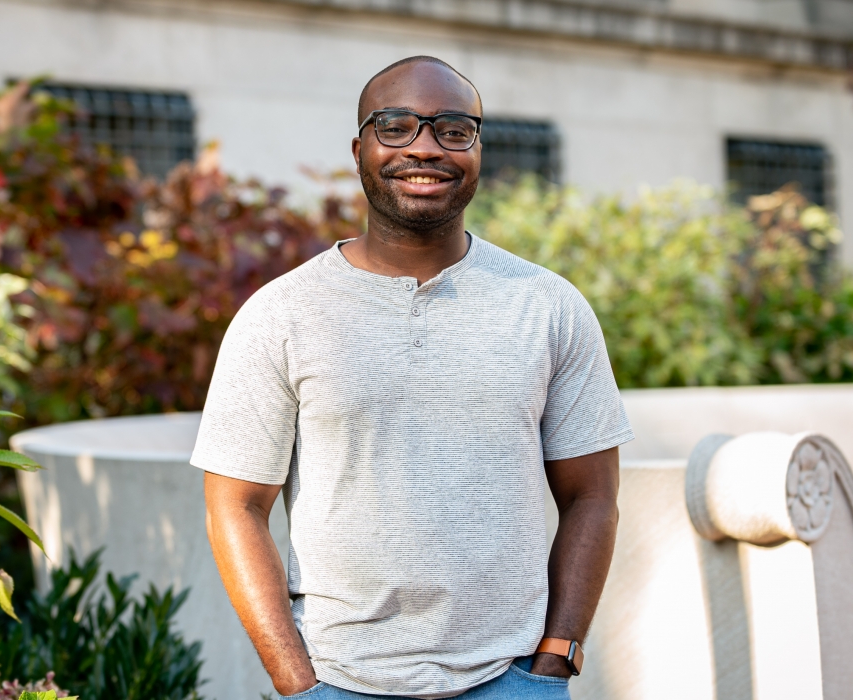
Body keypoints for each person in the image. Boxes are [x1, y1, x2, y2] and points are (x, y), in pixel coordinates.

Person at [192, 56, 633, 700]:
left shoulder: (547, 306)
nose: (425, 148)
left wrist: (555, 658)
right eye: (395, 126)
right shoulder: (282, 313)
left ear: (478, 149)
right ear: (359, 148)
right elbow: (234, 506)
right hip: (338, 680)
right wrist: (299, 684)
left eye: (454, 129)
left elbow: (593, 497)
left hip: (509, 678)